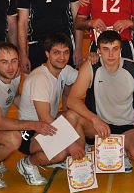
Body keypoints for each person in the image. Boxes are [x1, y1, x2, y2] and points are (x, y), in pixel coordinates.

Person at [0, 42, 56, 189]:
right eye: (4, 62)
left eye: (14, 61)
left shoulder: (15, 75)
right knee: (14, 138)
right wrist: (34, 124)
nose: (11, 67)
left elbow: (13, 97)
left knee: (30, 130)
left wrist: (35, 113)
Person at [67, 30, 134, 171]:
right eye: (106, 49)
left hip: (126, 127)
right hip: (98, 127)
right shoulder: (91, 67)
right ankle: (83, 158)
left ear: (121, 49)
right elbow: (72, 100)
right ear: (98, 51)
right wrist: (95, 119)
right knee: (71, 115)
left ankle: (122, 150)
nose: (111, 54)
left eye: (115, 49)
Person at [15, 33, 86, 185]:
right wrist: (70, 143)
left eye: (66, 52)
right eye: (56, 52)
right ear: (47, 54)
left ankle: (76, 160)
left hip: (46, 126)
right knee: (60, 152)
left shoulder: (64, 70)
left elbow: (87, 78)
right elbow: (45, 118)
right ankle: (27, 163)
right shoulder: (40, 78)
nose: (62, 57)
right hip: (28, 132)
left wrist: (93, 60)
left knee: (73, 115)